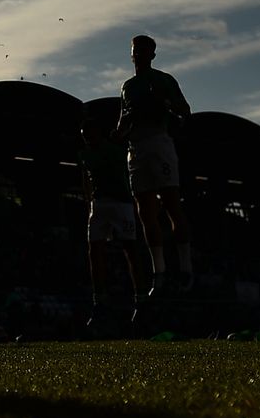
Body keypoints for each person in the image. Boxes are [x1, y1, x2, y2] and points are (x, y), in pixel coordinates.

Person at [113, 34, 193, 294]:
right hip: (136, 150)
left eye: (144, 51)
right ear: (131, 54)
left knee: (171, 204)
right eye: (135, 51)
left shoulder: (164, 80)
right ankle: (159, 273)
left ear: (152, 55)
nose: (139, 55)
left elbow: (184, 111)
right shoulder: (127, 86)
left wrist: (165, 106)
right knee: (145, 212)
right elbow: (122, 124)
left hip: (159, 143)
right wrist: (116, 135)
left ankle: (184, 268)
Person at [80, 117, 144, 323]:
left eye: (90, 135)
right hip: (100, 205)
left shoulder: (116, 151)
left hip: (120, 203)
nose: (88, 139)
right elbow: (85, 180)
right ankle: (100, 300)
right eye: (85, 136)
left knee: (130, 249)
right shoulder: (86, 154)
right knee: (96, 251)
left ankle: (141, 299)